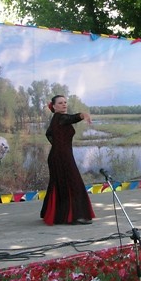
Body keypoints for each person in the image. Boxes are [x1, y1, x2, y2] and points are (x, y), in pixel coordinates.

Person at [40, 95, 95, 225]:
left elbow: (48, 133)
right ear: (54, 106)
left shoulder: (56, 119)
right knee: (73, 182)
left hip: (60, 155)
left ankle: (60, 215)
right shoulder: (60, 117)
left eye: (65, 102)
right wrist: (83, 115)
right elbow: (73, 117)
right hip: (61, 157)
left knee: (61, 183)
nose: (64, 105)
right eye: (60, 103)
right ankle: (73, 216)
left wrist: (58, 145)